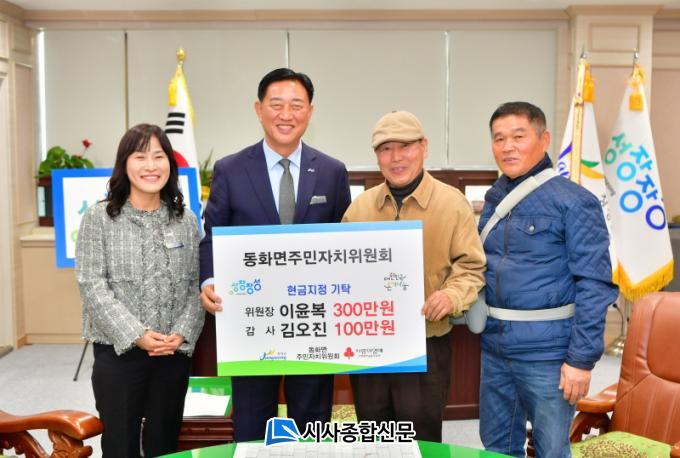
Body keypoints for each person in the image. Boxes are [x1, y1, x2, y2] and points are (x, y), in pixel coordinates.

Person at [198, 68, 352, 441]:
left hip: (313, 320)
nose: (286, 115)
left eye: (296, 105)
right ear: (259, 109)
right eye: (276, 104)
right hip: (251, 320)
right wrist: (209, 280)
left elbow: (345, 243)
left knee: (312, 424)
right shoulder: (230, 170)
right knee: (252, 422)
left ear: (310, 112)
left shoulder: (332, 172)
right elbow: (212, 237)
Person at [478, 102, 619, 457]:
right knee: (496, 447)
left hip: (549, 355)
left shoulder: (575, 202)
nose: (507, 147)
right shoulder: (495, 199)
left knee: (551, 450)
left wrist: (581, 361)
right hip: (495, 349)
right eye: (499, 139)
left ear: (544, 140)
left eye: (518, 136)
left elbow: (594, 285)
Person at [342, 110, 486, 442]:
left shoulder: (452, 204)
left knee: (420, 438)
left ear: (424, 146)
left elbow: (471, 266)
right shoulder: (359, 209)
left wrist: (451, 296)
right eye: (385, 149)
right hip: (370, 344)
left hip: (426, 342)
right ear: (376, 156)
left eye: (405, 146)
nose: (396, 157)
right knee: (373, 436)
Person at [75, 123, 205, 457]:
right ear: (124, 164)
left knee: (165, 443)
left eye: (159, 157)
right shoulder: (99, 218)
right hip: (119, 354)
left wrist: (182, 332)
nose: (151, 166)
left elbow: (197, 285)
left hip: (172, 353)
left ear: (170, 164)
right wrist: (137, 335)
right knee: (120, 444)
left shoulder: (186, 220)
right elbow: (92, 284)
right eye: (140, 156)